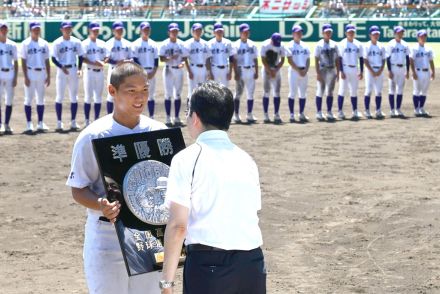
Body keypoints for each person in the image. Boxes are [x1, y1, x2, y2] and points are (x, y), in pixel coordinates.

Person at [66, 61, 166, 294]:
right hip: (107, 237)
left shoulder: (158, 132)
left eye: (144, 90)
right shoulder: (93, 135)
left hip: (148, 236)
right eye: (131, 91)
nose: (139, 97)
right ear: (112, 91)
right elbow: (78, 188)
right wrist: (100, 204)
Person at [161, 80, 266, 294]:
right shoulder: (246, 160)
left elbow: (178, 226)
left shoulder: (187, 158)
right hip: (252, 263)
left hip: (209, 266)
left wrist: (167, 283)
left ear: (196, 118)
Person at [21, 21, 50, 133]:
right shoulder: (25, 43)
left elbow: (47, 60)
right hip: (30, 72)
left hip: (41, 73)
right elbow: (23, 60)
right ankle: (29, 124)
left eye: (38, 29)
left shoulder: (44, 43)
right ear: (30, 30)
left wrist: (48, 76)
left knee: (41, 99)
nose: (36, 31)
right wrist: (25, 76)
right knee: (28, 99)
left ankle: (40, 123)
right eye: (34, 29)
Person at [159, 22, 189, 127]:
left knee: (178, 94)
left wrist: (182, 63)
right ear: (169, 32)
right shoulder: (164, 44)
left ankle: (176, 117)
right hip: (168, 70)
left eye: (176, 31)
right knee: (168, 94)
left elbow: (185, 58)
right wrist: (169, 58)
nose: (174, 33)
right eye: (172, 31)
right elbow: (161, 58)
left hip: (179, 70)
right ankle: (168, 118)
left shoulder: (182, 44)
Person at [81, 21, 107, 127]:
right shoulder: (85, 43)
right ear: (89, 30)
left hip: (99, 72)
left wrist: (104, 62)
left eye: (97, 30)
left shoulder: (102, 43)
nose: (95, 31)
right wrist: (94, 63)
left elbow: (107, 56)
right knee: (88, 97)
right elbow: (82, 58)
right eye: (94, 30)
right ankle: (87, 120)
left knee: (98, 97)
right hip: (89, 72)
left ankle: (96, 119)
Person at [232, 23, 259, 124]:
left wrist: (256, 71)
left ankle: (249, 114)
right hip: (240, 70)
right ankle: (236, 115)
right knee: (238, 93)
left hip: (251, 70)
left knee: (250, 94)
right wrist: (236, 72)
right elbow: (234, 60)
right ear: (240, 33)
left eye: (247, 32)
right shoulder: (235, 45)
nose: (246, 33)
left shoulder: (252, 44)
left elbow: (255, 59)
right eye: (244, 32)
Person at [132, 21, 159, 119]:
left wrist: (153, 72)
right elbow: (135, 60)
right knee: (139, 97)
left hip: (151, 73)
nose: (146, 31)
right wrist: (142, 73)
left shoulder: (154, 44)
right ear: (140, 30)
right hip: (140, 74)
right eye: (144, 29)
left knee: (151, 96)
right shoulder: (135, 44)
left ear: (150, 31)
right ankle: (139, 116)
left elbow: (156, 60)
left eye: (147, 29)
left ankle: (151, 117)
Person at [337, 24, 364, 120]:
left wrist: (361, 71)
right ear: (346, 33)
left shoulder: (358, 44)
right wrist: (341, 71)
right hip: (345, 68)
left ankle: (355, 111)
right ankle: (340, 111)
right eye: (349, 32)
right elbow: (339, 58)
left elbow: (361, 58)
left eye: (352, 32)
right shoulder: (342, 43)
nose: (351, 33)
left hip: (354, 69)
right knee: (342, 90)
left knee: (354, 91)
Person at [105, 21, 132, 114]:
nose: (119, 31)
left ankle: (123, 115)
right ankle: (109, 116)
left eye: (121, 29)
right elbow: (106, 59)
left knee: (124, 94)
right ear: (113, 31)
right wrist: (117, 62)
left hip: (124, 72)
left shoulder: (127, 43)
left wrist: (129, 60)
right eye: (117, 30)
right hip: (113, 71)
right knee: (110, 95)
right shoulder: (109, 43)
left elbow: (131, 57)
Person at [314, 23, 339, 122]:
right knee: (320, 91)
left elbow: (337, 59)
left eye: (329, 32)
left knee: (330, 92)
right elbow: (316, 59)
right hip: (323, 69)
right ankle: (319, 112)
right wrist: (318, 73)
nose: (328, 33)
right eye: (326, 32)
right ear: (322, 33)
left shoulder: (334, 44)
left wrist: (338, 71)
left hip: (332, 69)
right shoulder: (319, 44)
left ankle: (329, 112)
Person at [260, 32, 286, 124]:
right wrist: (270, 70)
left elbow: (283, 59)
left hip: (276, 70)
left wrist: (276, 69)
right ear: (271, 39)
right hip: (266, 70)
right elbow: (262, 59)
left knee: (277, 92)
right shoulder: (265, 45)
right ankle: (266, 114)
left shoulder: (281, 46)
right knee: (266, 92)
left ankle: (276, 114)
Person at [286, 25, 310, 123]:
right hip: (294, 72)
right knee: (292, 93)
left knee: (303, 94)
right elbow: (289, 60)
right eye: (297, 32)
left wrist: (306, 70)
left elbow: (308, 59)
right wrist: (298, 70)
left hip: (304, 71)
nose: (299, 34)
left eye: (300, 32)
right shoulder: (289, 45)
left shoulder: (305, 45)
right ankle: (291, 114)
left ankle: (301, 113)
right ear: (293, 34)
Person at [184, 23, 211, 108]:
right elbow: (185, 58)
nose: (198, 32)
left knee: (202, 91)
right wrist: (189, 71)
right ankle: (189, 112)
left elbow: (207, 59)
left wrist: (208, 71)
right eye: (196, 30)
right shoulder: (188, 43)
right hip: (193, 68)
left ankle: (200, 112)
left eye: (199, 30)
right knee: (191, 92)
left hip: (203, 69)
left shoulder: (205, 44)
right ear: (192, 32)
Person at [410, 29, 435, 117]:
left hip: (426, 72)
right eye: (421, 36)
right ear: (418, 37)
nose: (423, 38)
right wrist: (413, 72)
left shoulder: (429, 48)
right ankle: (416, 109)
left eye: (424, 36)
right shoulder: (414, 48)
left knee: (424, 91)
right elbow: (411, 61)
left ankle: (421, 108)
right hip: (418, 71)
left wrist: (433, 72)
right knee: (416, 91)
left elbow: (431, 61)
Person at [386, 26, 410, 118]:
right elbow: (387, 58)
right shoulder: (390, 44)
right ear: (395, 33)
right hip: (393, 68)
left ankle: (398, 109)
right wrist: (389, 70)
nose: (400, 34)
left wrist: (407, 71)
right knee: (391, 90)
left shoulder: (405, 44)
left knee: (400, 90)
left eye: (402, 32)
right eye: (399, 32)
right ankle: (392, 110)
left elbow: (407, 58)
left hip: (402, 68)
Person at [363, 25, 386, 119]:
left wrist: (380, 70)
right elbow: (365, 60)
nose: (376, 36)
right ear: (370, 35)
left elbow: (384, 59)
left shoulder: (381, 46)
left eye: (377, 34)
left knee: (379, 92)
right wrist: (372, 71)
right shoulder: (367, 46)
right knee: (368, 91)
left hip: (379, 70)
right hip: (370, 70)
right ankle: (367, 111)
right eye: (374, 34)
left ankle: (378, 110)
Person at [0, 21, 18, 135]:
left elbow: (16, 62)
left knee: (9, 100)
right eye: (2, 28)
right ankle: (0, 124)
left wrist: (16, 77)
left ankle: (6, 124)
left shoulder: (12, 44)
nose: (4, 30)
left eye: (5, 28)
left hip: (10, 74)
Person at [207, 23, 235, 87]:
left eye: (221, 31)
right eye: (217, 31)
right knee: (213, 89)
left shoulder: (228, 43)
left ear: (223, 32)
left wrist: (230, 72)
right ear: (214, 32)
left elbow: (231, 58)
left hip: (225, 69)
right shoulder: (210, 43)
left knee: (225, 89)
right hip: (214, 69)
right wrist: (209, 72)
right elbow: (208, 59)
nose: (219, 33)